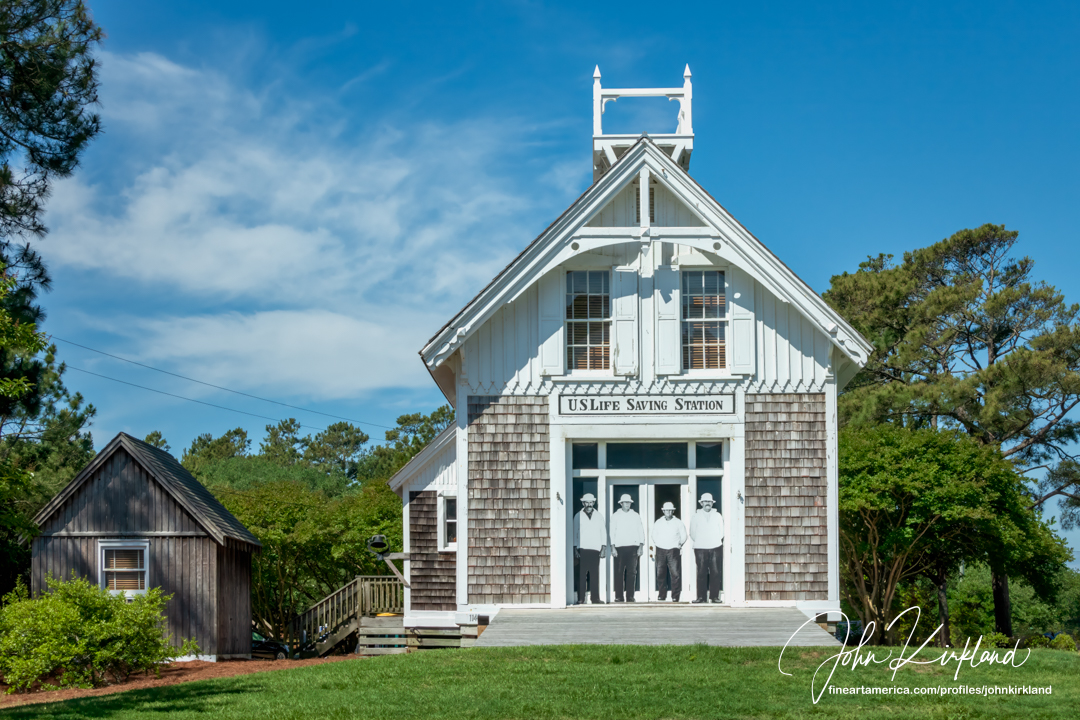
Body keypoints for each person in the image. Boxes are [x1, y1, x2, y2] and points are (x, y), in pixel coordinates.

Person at [609, 494, 644, 602]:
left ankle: (630, 596)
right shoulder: (615, 515)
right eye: (625, 502)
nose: (627, 504)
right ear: (621, 504)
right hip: (619, 548)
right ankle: (619, 596)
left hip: (633, 548)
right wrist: (613, 547)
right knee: (619, 572)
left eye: (629, 502)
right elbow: (612, 532)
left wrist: (640, 546)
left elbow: (640, 531)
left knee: (632, 573)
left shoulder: (635, 515)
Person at [573, 493, 607, 604]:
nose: (589, 504)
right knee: (581, 575)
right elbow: (575, 533)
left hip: (595, 549)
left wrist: (603, 547)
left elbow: (603, 532)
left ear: (594, 503)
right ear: (583, 503)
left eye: (591, 502)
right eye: (586, 502)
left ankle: (595, 598)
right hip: (582, 548)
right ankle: (581, 598)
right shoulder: (578, 515)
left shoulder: (599, 516)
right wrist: (575, 548)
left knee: (594, 575)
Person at [689, 492, 724, 603]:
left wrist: (714, 541)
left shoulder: (718, 515)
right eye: (705, 502)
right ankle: (701, 597)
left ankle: (714, 597)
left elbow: (721, 532)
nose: (707, 504)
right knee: (701, 572)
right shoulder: (696, 516)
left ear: (712, 503)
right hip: (700, 547)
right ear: (701, 503)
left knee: (715, 572)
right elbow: (692, 533)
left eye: (709, 502)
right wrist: (701, 541)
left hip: (715, 547)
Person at [651, 501, 687, 601]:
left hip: (673, 550)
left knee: (675, 574)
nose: (668, 512)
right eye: (666, 510)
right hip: (660, 550)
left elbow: (684, 536)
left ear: (673, 511)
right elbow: (654, 535)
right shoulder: (658, 522)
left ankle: (675, 597)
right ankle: (662, 595)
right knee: (660, 573)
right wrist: (659, 544)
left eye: (670, 510)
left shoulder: (678, 522)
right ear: (663, 511)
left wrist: (677, 545)